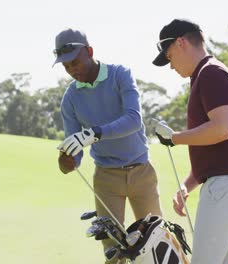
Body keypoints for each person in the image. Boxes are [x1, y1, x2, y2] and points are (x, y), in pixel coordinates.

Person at [151, 19, 228, 264]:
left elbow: (222, 129)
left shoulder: (210, 73)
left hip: (225, 188)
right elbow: (217, 145)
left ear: (181, 43)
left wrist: (173, 138)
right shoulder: (207, 74)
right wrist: (189, 183)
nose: (170, 66)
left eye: (169, 56)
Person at [53, 28, 162, 264]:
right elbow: (74, 155)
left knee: (156, 243)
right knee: (113, 252)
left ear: (89, 52)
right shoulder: (70, 98)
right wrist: (67, 160)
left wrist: (95, 133)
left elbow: (134, 119)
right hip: (106, 179)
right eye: (66, 66)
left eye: (75, 62)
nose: (72, 69)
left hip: (141, 172)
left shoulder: (120, 75)